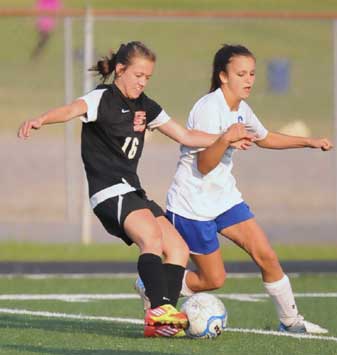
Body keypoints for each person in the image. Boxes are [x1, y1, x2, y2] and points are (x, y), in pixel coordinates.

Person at [18, 41, 252, 338]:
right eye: (138, 75)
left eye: (148, 77)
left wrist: (225, 137)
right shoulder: (102, 98)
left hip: (133, 191)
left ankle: (162, 317)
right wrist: (41, 119)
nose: (142, 82)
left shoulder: (146, 106)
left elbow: (186, 135)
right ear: (120, 70)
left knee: (178, 249)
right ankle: (159, 312)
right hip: (108, 190)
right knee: (151, 238)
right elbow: (71, 109)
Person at [136, 44, 333, 334]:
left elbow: (264, 138)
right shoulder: (208, 108)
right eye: (241, 73)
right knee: (213, 280)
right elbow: (203, 164)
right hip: (193, 205)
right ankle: (154, 286)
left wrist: (308, 142)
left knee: (266, 255)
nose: (249, 80)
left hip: (225, 199)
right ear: (223, 76)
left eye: (252, 73)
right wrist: (226, 140)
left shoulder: (241, 107)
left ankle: (291, 322)